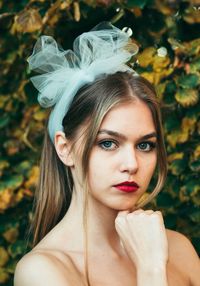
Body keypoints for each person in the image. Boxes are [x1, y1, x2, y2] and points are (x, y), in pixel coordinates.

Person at [14, 22, 200, 286]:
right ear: (64, 149)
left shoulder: (178, 248)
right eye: (108, 143)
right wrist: (150, 269)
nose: (131, 164)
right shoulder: (42, 271)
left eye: (145, 145)